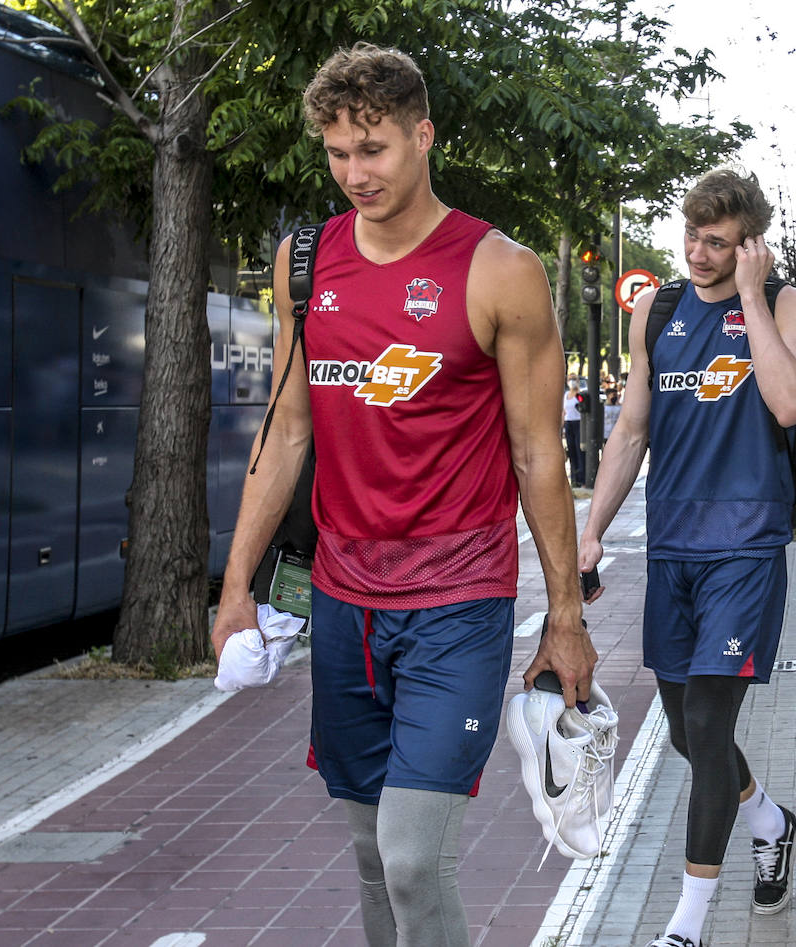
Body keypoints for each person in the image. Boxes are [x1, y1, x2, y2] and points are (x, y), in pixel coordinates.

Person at [209, 44, 597, 946]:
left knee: (415, 855)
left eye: (374, 149)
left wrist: (566, 614)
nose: (356, 173)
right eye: (338, 153)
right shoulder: (302, 263)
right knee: (370, 854)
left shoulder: (501, 269)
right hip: (346, 598)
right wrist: (235, 591)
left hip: (459, 600)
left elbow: (540, 454)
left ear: (423, 136)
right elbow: (284, 434)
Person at [579, 168, 796, 947]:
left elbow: (789, 403)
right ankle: (770, 819)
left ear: (749, 245)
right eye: (692, 236)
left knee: (710, 724)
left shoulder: (782, 305)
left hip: (746, 548)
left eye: (717, 242)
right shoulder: (660, 308)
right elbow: (632, 430)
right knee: (685, 732)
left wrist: (751, 298)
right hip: (674, 547)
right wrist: (592, 529)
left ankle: (688, 924)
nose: (698, 253)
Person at [564, 375, 586, 487]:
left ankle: (582, 479)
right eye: (570, 379)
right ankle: (574, 479)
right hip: (568, 424)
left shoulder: (580, 395)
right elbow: (563, 411)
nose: (572, 382)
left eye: (574, 379)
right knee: (571, 451)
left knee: (579, 451)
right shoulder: (565, 395)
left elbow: (583, 408)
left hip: (579, 423)